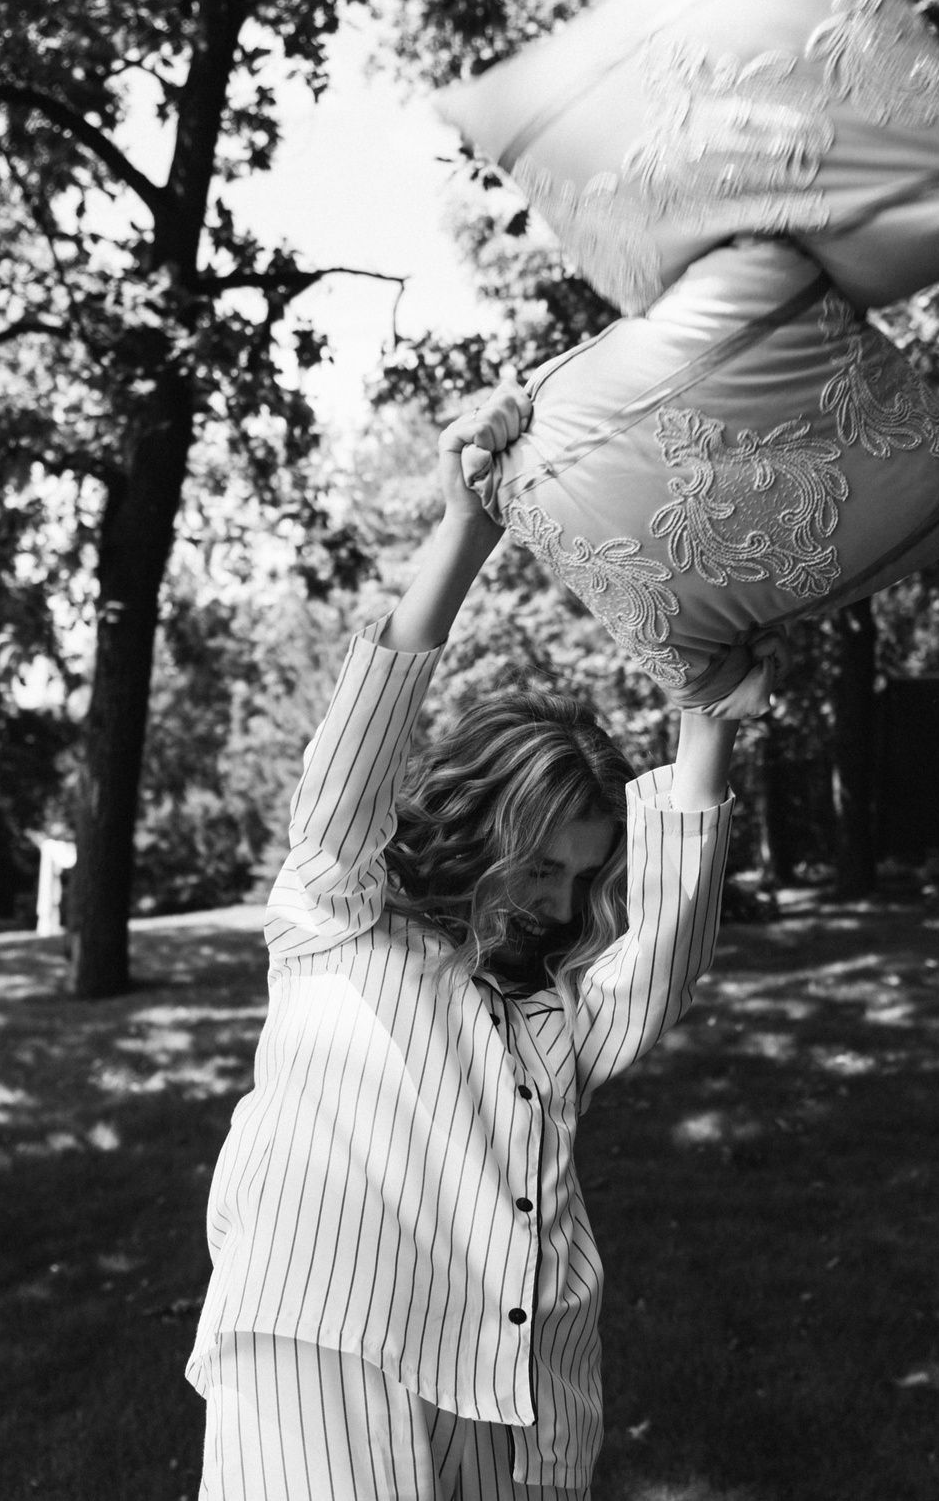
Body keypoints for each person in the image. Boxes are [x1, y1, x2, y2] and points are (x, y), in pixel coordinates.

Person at [187, 383, 767, 1500]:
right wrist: (467, 528)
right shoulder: (337, 915)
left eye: (582, 877)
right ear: (476, 822)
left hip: (523, 1382)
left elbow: (665, 955)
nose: (558, 902)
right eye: (542, 864)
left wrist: (708, 710)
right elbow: (355, 762)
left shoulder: (555, 1012)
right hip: (329, 1347)